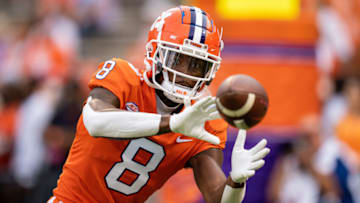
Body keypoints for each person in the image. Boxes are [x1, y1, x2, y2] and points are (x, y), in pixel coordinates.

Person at [49, 5, 270, 203]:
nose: (185, 74)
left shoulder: (204, 123)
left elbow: (217, 198)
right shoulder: (123, 76)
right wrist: (172, 123)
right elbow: (95, 121)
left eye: (197, 66)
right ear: (155, 53)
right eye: (177, 59)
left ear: (209, 73)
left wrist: (236, 181)